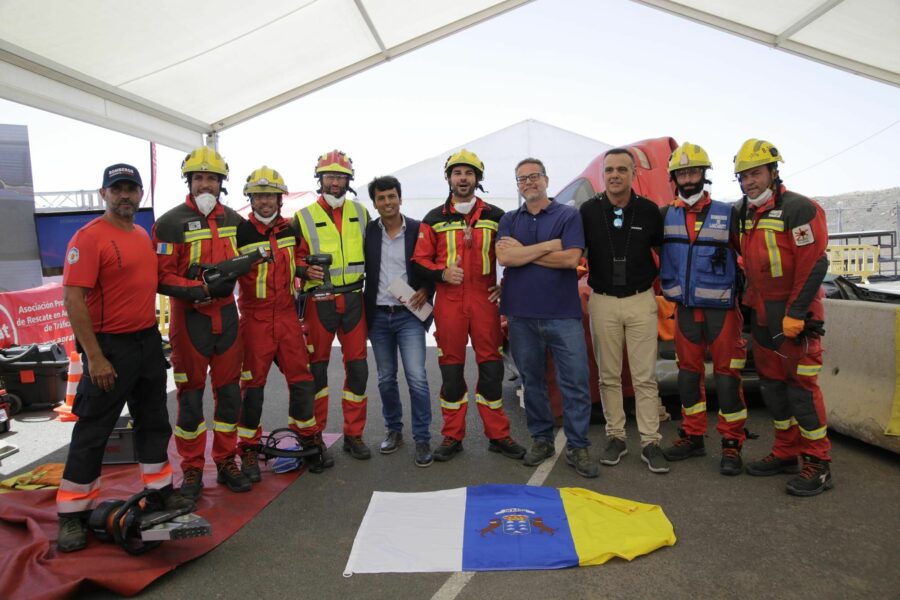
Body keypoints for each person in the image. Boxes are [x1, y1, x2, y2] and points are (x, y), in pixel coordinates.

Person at [56, 164, 193, 552]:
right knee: (93, 430)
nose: (125, 196)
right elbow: (73, 300)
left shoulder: (140, 235)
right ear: (103, 194)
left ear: (140, 194)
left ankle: (160, 493)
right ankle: (73, 515)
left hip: (147, 342)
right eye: (117, 189)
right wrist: (94, 357)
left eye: (132, 189)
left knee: (154, 421)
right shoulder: (89, 238)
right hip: (109, 348)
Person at [411, 149, 525, 462]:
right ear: (448, 178)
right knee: (451, 372)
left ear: (477, 179)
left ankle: (498, 435)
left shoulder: (497, 216)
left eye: (469, 173)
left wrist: (507, 284)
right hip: (449, 302)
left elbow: (514, 254)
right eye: (457, 173)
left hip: (485, 300)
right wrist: (442, 273)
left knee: (491, 370)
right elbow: (418, 260)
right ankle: (452, 436)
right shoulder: (433, 219)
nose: (463, 178)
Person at [735, 138, 833, 496]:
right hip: (762, 315)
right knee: (773, 390)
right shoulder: (746, 212)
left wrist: (794, 313)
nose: (749, 182)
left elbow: (814, 263)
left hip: (795, 316)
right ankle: (786, 451)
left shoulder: (800, 209)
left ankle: (818, 463)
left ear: (774, 172)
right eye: (743, 177)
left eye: (755, 174)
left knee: (801, 393)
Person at [153, 146, 250, 498]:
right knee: (190, 399)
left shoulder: (235, 221)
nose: (205, 184)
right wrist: (199, 288)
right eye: (199, 178)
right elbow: (161, 277)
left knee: (228, 396)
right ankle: (192, 468)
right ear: (189, 181)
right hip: (189, 319)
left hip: (226, 317)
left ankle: (226, 461)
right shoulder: (169, 222)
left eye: (212, 178)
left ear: (222, 183)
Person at [496, 158, 598, 478]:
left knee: (576, 383)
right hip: (521, 315)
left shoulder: (569, 215)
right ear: (518, 185)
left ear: (546, 179)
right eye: (522, 179)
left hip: (563, 315)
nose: (529, 182)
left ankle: (578, 445)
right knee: (533, 383)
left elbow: (571, 259)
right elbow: (505, 256)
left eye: (534, 176)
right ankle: (541, 440)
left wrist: (525, 253)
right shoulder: (509, 219)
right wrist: (548, 246)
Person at [658, 143, 748, 475]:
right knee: (687, 377)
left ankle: (732, 444)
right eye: (682, 173)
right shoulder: (665, 214)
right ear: (674, 177)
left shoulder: (729, 213)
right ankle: (693, 437)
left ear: (703, 175)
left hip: (722, 311)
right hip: (684, 310)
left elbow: (748, 256)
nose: (688, 178)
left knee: (726, 379)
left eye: (693, 171)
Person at [580, 147, 669, 474]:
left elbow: (664, 251)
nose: (615, 175)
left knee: (645, 377)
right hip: (602, 300)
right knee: (609, 376)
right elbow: (572, 251)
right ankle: (615, 436)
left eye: (621, 169)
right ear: (603, 175)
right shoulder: (588, 211)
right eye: (609, 170)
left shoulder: (649, 211)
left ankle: (650, 441)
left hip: (640, 299)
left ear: (633, 174)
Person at [234, 167, 318, 478]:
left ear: (279, 198)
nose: (264, 201)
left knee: (302, 381)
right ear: (251, 199)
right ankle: (248, 450)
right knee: (252, 389)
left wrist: (305, 270)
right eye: (258, 195)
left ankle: (306, 440)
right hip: (254, 319)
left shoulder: (290, 230)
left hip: (286, 316)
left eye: (269, 195)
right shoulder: (240, 232)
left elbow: (299, 261)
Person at [293, 150, 371, 462]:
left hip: (353, 299)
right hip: (319, 301)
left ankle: (354, 435)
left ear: (348, 180)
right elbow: (291, 258)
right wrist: (302, 270)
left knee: (358, 369)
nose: (335, 182)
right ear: (320, 179)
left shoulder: (361, 212)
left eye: (340, 177)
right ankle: (314, 438)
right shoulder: (303, 217)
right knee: (317, 372)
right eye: (330, 176)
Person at [363, 176, 435, 467]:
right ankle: (394, 431)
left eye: (392, 196)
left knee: (417, 378)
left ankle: (422, 437)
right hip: (379, 315)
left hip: (409, 316)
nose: (387, 202)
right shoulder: (368, 231)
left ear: (400, 198)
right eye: (381, 198)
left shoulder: (419, 229)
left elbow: (434, 265)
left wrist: (427, 290)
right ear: (375, 203)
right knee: (385, 378)